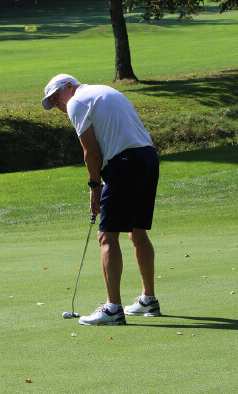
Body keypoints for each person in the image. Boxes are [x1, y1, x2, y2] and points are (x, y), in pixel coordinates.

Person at [42, 74, 161, 326]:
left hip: (125, 163)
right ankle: (148, 300)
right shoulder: (103, 90)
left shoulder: (77, 102)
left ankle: (112, 309)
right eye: (52, 103)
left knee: (106, 236)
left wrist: (94, 187)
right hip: (147, 158)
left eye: (56, 98)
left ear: (69, 87)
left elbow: (91, 154)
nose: (57, 106)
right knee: (136, 231)